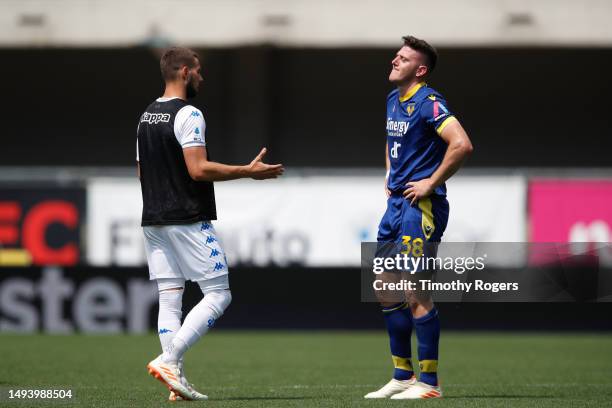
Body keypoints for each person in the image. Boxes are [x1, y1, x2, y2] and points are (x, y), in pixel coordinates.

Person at [136, 47, 284, 401]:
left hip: (153, 219)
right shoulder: (188, 113)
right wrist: (247, 172)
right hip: (186, 217)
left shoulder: (146, 115)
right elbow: (198, 169)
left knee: (170, 299)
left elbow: (141, 170)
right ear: (185, 72)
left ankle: (175, 382)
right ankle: (170, 360)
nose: (202, 77)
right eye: (199, 71)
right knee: (218, 293)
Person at [365, 36, 473, 400]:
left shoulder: (430, 103)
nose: (395, 60)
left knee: (416, 291)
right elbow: (390, 141)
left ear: (420, 70)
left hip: (420, 207)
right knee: (383, 285)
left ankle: (429, 383)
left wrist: (431, 181)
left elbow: (461, 144)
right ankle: (402, 375)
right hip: (396, 204)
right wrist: (389, 175)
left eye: (404, 58)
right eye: (396, 54)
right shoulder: (394, 100)